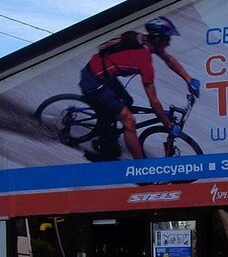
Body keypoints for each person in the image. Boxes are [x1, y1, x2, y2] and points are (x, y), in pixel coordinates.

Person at [78, 15, 200, 161]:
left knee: (127, 102)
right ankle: (140, 167)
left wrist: (189, 79)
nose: (169, 43)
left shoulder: (143, 39)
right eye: (167, 39)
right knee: (129, 121)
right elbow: (154, 102)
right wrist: (168, 125)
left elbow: (168, 59)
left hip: (101, 72)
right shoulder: (144, 62)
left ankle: (107, 134)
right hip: (93, 82)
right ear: (157, 39)